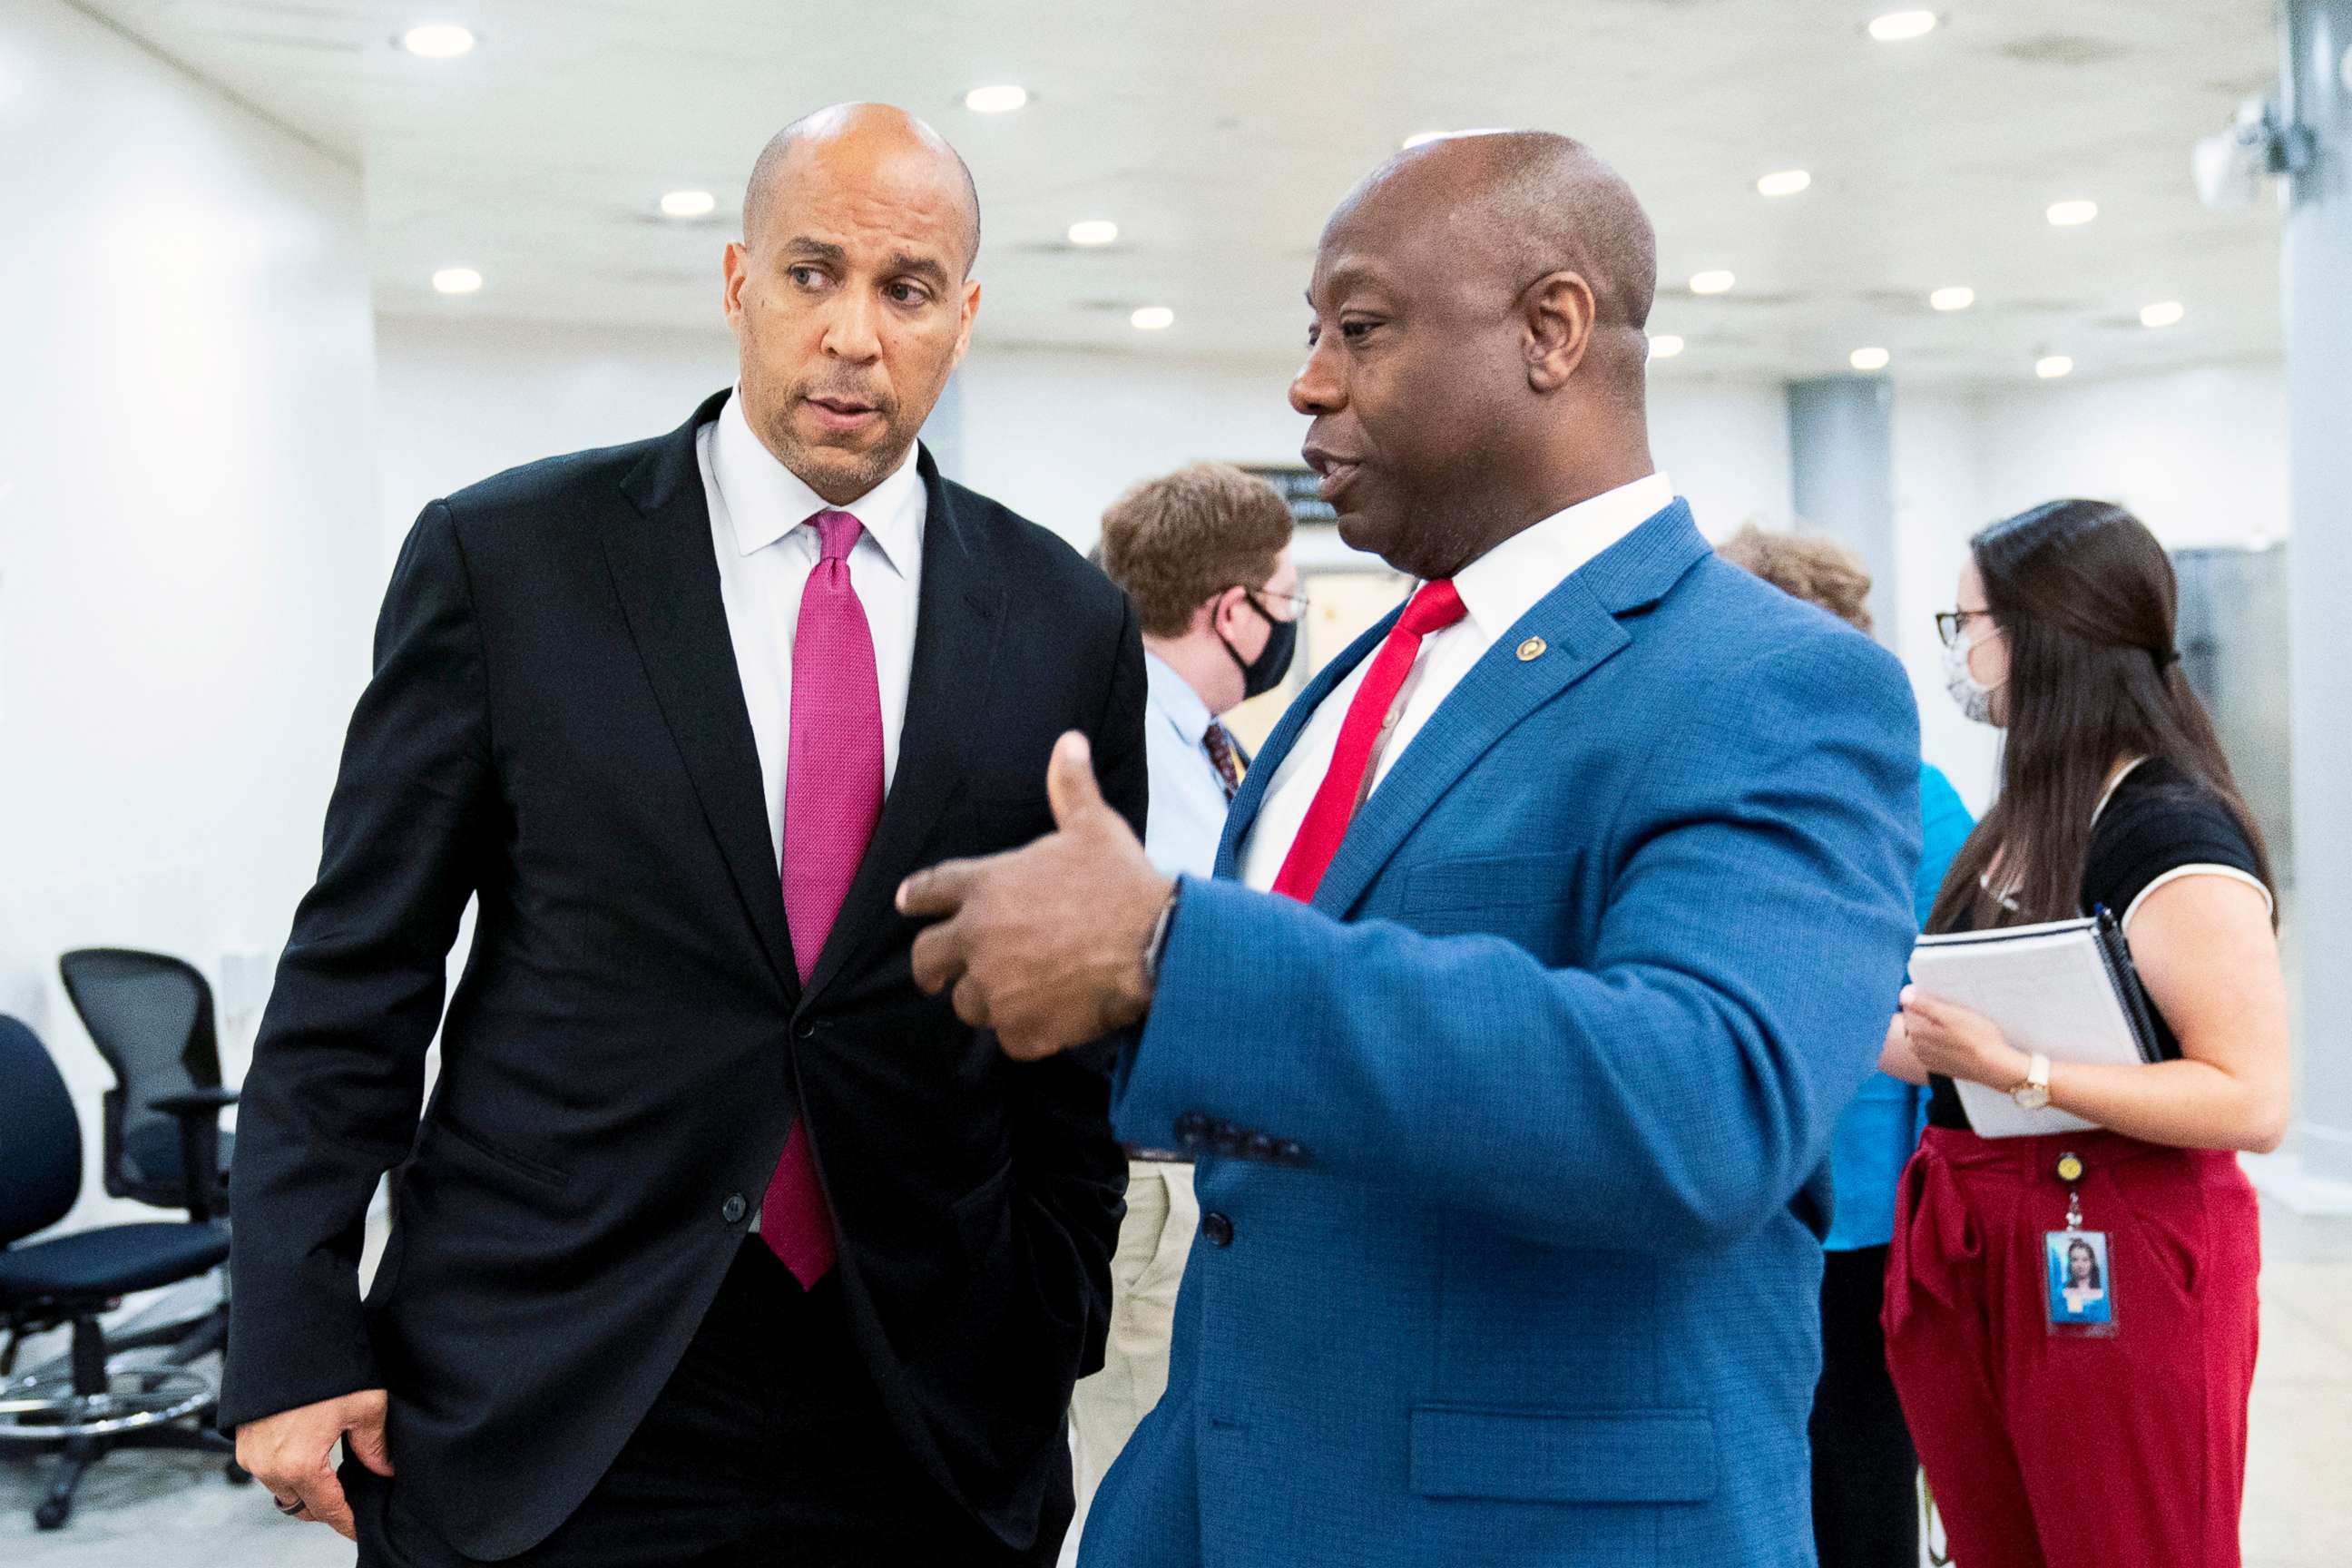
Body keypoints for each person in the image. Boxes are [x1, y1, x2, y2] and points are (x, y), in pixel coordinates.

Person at [895, 130, 1922, 1568]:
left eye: (1360, 330)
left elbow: (1708, 1104)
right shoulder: (1362, 673)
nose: (1309, 380)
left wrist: (1166, 951)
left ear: (1551, 331)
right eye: (1311, 335)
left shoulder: (1770, 683)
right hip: (1236, 1498)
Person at [220, 103, 1143, 1566]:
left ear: (961, 318)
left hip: (923, 1400)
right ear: (735, 283)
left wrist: (1053, 1314)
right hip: (555, 1385)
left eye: (905, 290)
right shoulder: (508, 561)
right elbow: (358, 971)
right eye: (810, 273)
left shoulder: (1063, 623)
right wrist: (292, 1328)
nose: (853, 333)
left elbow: (1077, 1038)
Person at [1879, 499, 2288, 1568]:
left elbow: (2250, 1098)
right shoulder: (2024, 818)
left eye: (1970, 621)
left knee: (2129, 1540)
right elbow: (1949, 1043)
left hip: (2115, 1245)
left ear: (2046, 637)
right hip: (1977, 1232)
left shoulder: (2168, 828)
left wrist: (2024, 1072)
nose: (1961, 653)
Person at [1715, 524, 1974, 1568]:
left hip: (1866, 1215)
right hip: (1733, 1200)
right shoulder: (1710, 790)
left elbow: (1952, 1020)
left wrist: (1791, 1007)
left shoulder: (1918, 798)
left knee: (1858, 1484)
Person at [1071, 465, 1298, 1538]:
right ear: (1231, 611)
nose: (1289, 625)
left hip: (1203, 1184)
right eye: (1288, 603)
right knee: (1138, 1497)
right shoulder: (1129, 754)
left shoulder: (1208, 746)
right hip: (1150, 1193)